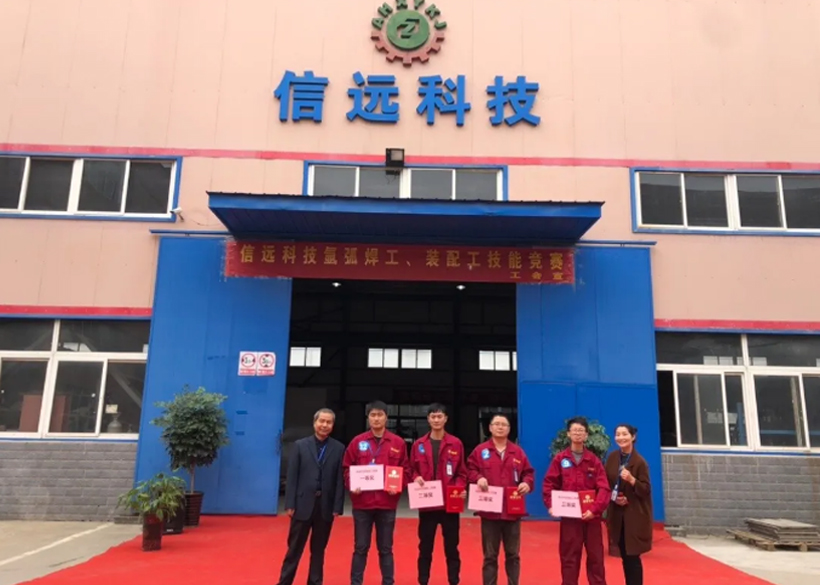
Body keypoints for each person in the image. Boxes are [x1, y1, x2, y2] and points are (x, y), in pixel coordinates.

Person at [343, 400, 410, 585]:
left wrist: (398, 486)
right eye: (373, 415)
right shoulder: (357, 442)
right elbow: (347, 468)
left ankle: (388, 582)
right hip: (362, 504)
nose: (376, 418)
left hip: (386, 504)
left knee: (386, 549)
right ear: (368, 418)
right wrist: (352, 484)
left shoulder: (397, 443)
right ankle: (356, 582)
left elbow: (406, 470)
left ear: (386, 418)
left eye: (380, 415)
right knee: (360, 547)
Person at [276, 408, 345, 585]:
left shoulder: (338, 448)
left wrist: (337, 506)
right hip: (302, 504)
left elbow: (339, 479)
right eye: (321, 421)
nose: (324, 425)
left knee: (319, 550)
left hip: (325, 506)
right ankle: (285, 581)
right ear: (315, 423)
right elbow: (292, 476)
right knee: (294, 549)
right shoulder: (300, 445)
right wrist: (290, 503)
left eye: (329, 422)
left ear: (333, 425)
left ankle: (315, 581)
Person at [542, 416, 611, 585]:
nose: (578, 434)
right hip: (570, 519)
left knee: (596, 558)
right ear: (568, 434)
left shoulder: (594, 461)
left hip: (591, 519)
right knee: (569, 558)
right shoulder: (560, 459)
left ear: (586, 435)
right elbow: (549, 484)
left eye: (581, 431)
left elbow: (604, 489)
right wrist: (551, 505)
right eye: (574, 430)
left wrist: (594, 510)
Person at [466, 414, 534, 585]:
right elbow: (470, 469)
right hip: (489, 512)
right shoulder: (480, 451)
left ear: (509, 429)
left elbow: (528, 473)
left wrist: (526, 483)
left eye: (504, 425)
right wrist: (478, 478)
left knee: (513, 555)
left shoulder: (517, 452)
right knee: (490, 556)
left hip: (512, 512)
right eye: (496, 424)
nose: (500, 427)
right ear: (490, 428)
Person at [410, 403, 468, 585]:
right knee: (425, 547)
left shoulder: (455, 444)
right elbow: (411, 470)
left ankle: (454, 581)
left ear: (445, 419)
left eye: (439, 416)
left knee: (452, 548)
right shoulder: (419, 445)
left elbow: (462, 473)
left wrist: (458, 489)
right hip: (427, 504)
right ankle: (423, 581)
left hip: (449, 505)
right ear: (428, 419)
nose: (436, 420)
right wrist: (416, 478)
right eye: (433, 417)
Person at [605, 424, 653, 585]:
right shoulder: (612, 458)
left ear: (633, 437)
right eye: (618, 434)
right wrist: (614, 498)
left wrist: (632, 480)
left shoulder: (639, 462)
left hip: (634, 515)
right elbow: (605, 483)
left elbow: (646, 489)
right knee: (624, 555)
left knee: (632, 557)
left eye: (624, 434)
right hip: (617, 514)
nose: (621, 438)